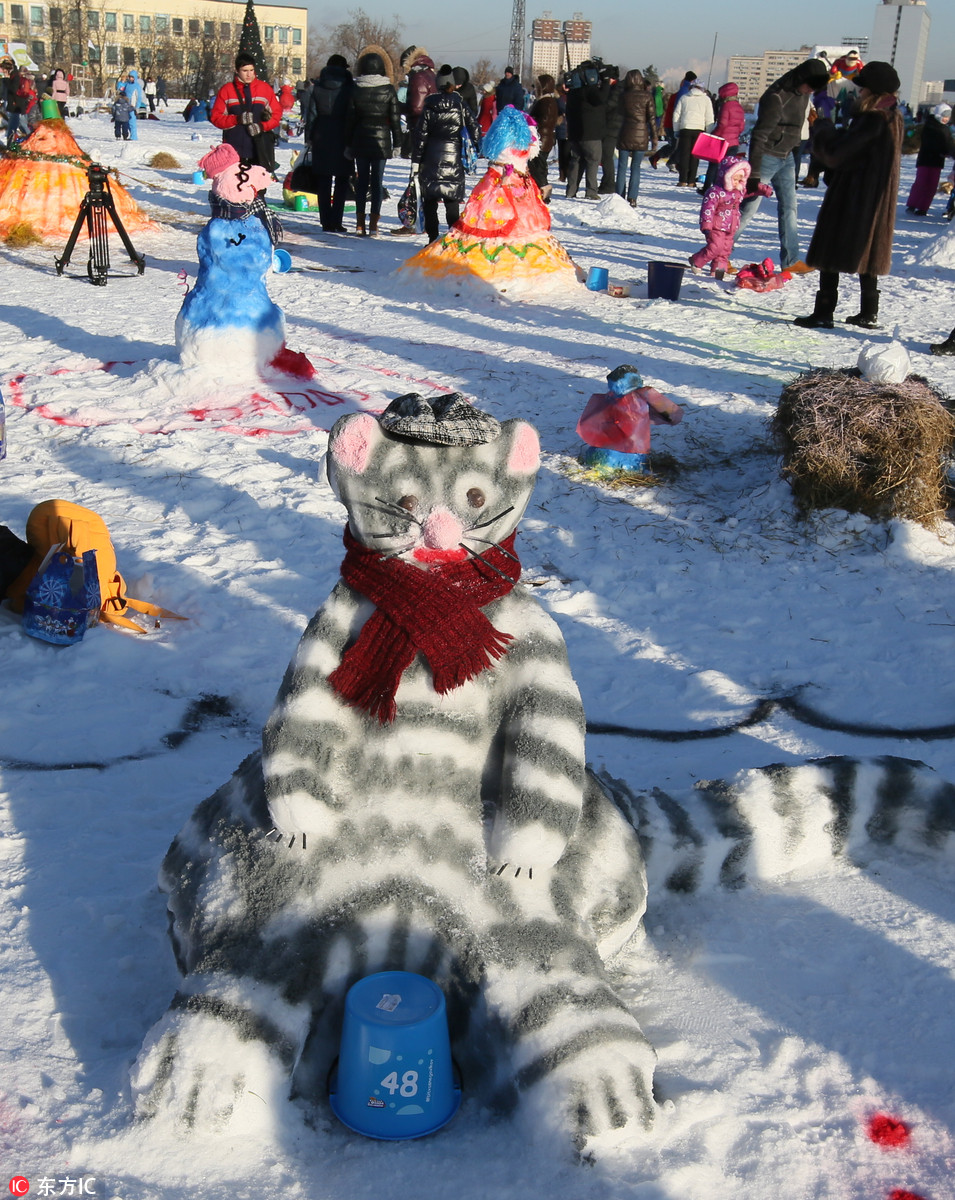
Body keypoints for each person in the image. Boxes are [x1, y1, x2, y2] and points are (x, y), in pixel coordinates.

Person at [793, 61, 903, 331]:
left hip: (855, 196)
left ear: (871, 91)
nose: (859, 92)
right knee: (869, 251)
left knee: (830, 248)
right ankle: (869, 310)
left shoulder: (873, 119)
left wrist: (824, 126)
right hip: (875, 198)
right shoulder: (892, 116)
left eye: (862, 87)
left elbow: (837, 153)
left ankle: (824, 311)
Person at [734, 57, 830, 272]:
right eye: (809, 86)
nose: (810, 92)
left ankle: (791, 260)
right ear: (801, 78)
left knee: (790, 207)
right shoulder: (776, 97)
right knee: (748, 209)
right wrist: (754, 175)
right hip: (766, 156)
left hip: (786, 156)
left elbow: (797, 127)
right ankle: (722, 253)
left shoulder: (804, 94)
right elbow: (759, 136)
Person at [411, 63, 480, 242]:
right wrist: (475, 149)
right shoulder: (461, 105)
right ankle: (453, 238)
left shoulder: (429, 106)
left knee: (430, 202)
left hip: (431, 158)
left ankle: (433, 238)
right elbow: (475, 129)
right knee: (452, 201)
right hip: (454, 158)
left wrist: (416, 161)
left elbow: (420, 135)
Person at [345, 49, 401, 236]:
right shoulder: (388, 89)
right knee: (377, 183)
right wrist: (398, 143)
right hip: (381, 141)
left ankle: (359, 224)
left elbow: (350, 120)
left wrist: (348, 143)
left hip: (360, 139)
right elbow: (395, 119)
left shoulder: (356, 89)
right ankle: (374, 225)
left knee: (361, 182)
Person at [688, 156, 772, 278]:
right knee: (715, 247)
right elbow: (708, 208)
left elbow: (750, 191)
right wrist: (706, 224)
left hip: (731, 226)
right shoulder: (715, 192)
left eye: (740, 179)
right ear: (726, 177)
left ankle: (719, 271)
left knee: (725, 250)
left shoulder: (738, 190)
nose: (737, 182)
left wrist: (763, 189)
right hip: (716, 226)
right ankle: (696, 261)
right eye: (735, 179)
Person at [305, 54, 353, 233]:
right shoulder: (349, 88)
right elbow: (352, 114)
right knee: (342, 181)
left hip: (321, 135)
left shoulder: (317, 88)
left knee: (323, 181)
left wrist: (309, 137)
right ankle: (337, 221)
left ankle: (326, 221)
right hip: (343, 135)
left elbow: (311, 115)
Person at [210, 53, 282, 170]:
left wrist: (262, 126)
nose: (249, 74)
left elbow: (277, 115)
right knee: (235, 185)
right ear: (237, 71)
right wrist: (237, 119)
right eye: (245, 70)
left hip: (259, 148)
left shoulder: (264, 89)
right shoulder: (227, 90)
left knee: (258, 186)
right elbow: (216, 118)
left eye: (251, 70)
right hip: (234, 148)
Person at [564, 61, 609, 199]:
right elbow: (602, 98)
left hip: (574, 133)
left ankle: (571, 190)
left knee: (576, 160)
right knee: (593, 160)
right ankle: (591, 191)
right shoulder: (590, 91)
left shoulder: (572, 93)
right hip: (591, 133)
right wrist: (606, 81)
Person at [615, 69, 656, 207]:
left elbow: (618, 116)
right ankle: (632, 198)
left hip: (625, 133)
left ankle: (619, 195)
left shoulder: (623, 96)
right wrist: (654, 138)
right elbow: (652, 119)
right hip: (641, 134)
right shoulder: (647, 96)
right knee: (636, 167)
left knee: (622, 167)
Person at [905, 104, 955, 216]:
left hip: (937, 161)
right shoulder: (928, 126)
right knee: (921, 182)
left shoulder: (946, 129)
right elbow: (929, 143)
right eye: (944, 115)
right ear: (938, 114)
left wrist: (950, 152)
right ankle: (912, 204)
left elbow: (949, 144)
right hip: (925, 159)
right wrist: (942, 150)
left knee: (932, 185)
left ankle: (923, 208)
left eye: (948, 116)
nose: (946, 118)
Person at [700, 81, 745, 192]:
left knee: (714, 166)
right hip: (734, 143)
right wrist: (735, 135)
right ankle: (724, 189)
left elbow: (722, 124)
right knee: (728, 168)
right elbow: (741, 126)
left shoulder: (726, 106)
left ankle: (708, 188)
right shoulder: (739, 107)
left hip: (722, 142)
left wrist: (714, 135)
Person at [672, 77, 714, 188]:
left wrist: (676, 129)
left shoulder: (684, 97)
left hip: (685, 128)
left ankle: (682, 180)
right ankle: (691, 181)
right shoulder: (706, 100)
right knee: (695, 156)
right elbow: (709, 118)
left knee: (684, 155)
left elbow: (676, 115)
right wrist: (709, 133)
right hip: (699, 130)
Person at [529, 74, 559, 202]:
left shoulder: (546, 102)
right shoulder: (547, 101)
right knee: (538, 165)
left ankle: (544, 187)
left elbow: (545, 120)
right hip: (544, 138)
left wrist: (532, 121)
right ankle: (540, 189)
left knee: (535, 165)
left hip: (542, 139)